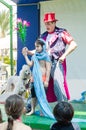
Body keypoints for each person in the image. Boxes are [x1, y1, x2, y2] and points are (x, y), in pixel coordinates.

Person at [22, 12, 77, 102]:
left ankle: (63, 107)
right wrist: (27, 52)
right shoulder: (43, 36)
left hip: (57, 62)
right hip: (44, 64)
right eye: (46, 23)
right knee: (39, 84)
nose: (47, 25)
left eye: (49, 23)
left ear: (54, 23)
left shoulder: (62, 33)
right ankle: (32, 106)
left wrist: (64, 55)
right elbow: (37, 50)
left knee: (57, 83)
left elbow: (73, 44)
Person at [22, 38, 54, 119]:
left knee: (42, 95)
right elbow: (30, 64)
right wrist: (25, 56)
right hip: (34, 79)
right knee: (33, 96)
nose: (36, 48)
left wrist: (47, 80)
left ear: (43, 46)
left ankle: (42, 110)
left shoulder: (46, 56)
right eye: (35, 46)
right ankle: (32, 110)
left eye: (38, 46)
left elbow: (48, 69)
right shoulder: (34, 56)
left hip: (43, 79)